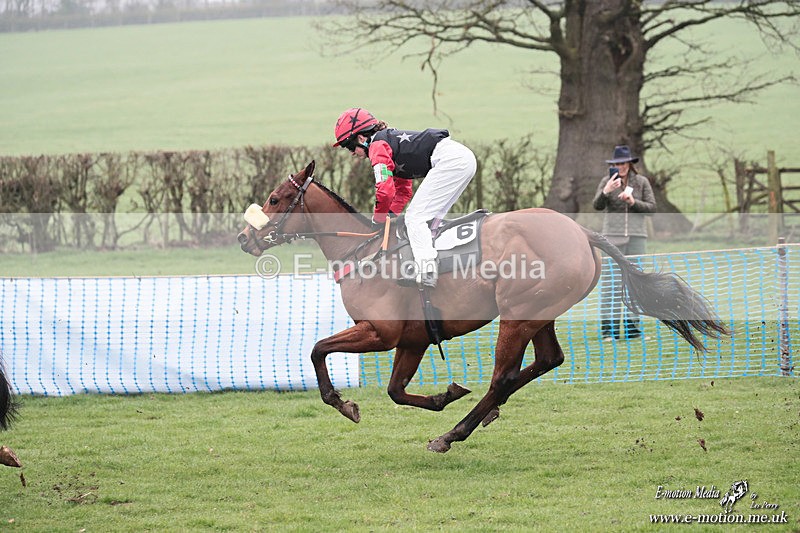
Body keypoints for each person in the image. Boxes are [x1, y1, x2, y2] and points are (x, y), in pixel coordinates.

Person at [332, 107, 477, 288]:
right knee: (429, 220)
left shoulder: (377, 147)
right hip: (461, 159)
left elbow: (384, 190)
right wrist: (390, 216)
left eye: (349, 146)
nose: (351, 152)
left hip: (452, 161)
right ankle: (441, 263)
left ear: (361, 138)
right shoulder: (387, 143)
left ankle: (427, 270)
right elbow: (403, 190)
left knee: (415, 217)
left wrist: (377, 219)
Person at [592, 145, 656, 340]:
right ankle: (609, 331)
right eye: (616, 163)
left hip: (637, 238)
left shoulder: (642, 182)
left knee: (635, 283)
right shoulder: (607, 181)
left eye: (623, 163)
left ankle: (632, 330)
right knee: (611, 284)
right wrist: (606, 191)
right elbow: (597, 205)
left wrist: (632, 202)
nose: (620, 166)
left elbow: (652, 208)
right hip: (612, 238)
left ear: (629, 163)